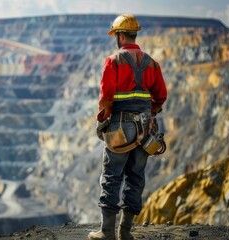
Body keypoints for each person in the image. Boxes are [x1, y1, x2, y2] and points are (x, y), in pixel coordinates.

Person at [89, 14, 168, 240]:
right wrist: (149, 112)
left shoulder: (113, 61)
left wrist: (103, 119)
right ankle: (125, 233)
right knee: (135, 177)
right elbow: (161, 96)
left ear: (120, 35)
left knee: (112, 176)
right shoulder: (152, 63)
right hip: (145, 128)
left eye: (116, 35)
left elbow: (106, 97)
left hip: (120, 127)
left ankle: (106, 233)